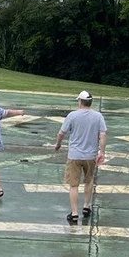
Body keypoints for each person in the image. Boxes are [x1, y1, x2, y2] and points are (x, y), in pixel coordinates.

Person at [54, 90, 107, 224]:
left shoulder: (72, 115)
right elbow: (102, 135)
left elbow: (61, 133)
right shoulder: (98, 116)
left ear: (80, 102)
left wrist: (58, 144)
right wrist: (102, 152)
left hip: (74, 155)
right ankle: (86, 206)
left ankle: (74, 213)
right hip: (90, 155)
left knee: (73, 185)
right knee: (89, 181)